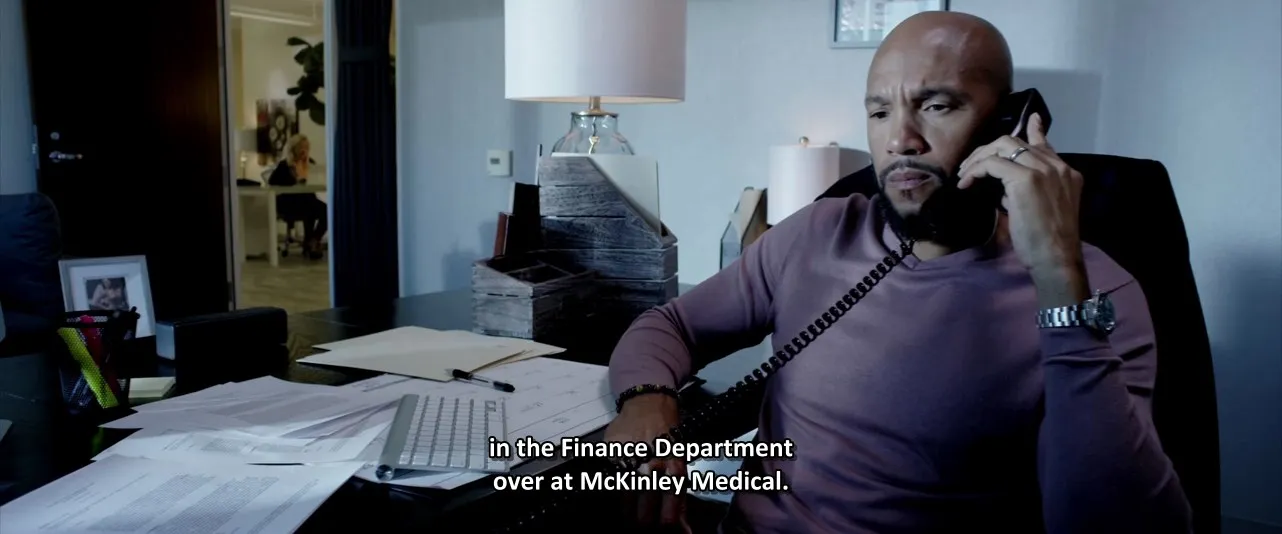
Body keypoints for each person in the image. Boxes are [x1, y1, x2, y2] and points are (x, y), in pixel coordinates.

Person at [604, 11, 1192, 534]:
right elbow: (671, 325)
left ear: (1008, 123)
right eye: (880, 112)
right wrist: (646, 400)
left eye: (937, 106)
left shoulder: (1092, 290)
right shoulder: (818, 233)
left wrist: (1060, 282)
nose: (900, 140)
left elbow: (1114, 520)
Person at [268, 134, 327, 259]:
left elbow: (314, 181)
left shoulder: (311, 163)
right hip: (289, 202)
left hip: (307, 201)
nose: (304, 150)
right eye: (302, 147)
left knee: (327, 211)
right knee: (309, 208)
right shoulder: (284, 165)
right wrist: (293, 181)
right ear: (294, 148)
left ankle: (313, 240)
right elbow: (272, 183)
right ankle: (309, 245)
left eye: (307, 147)